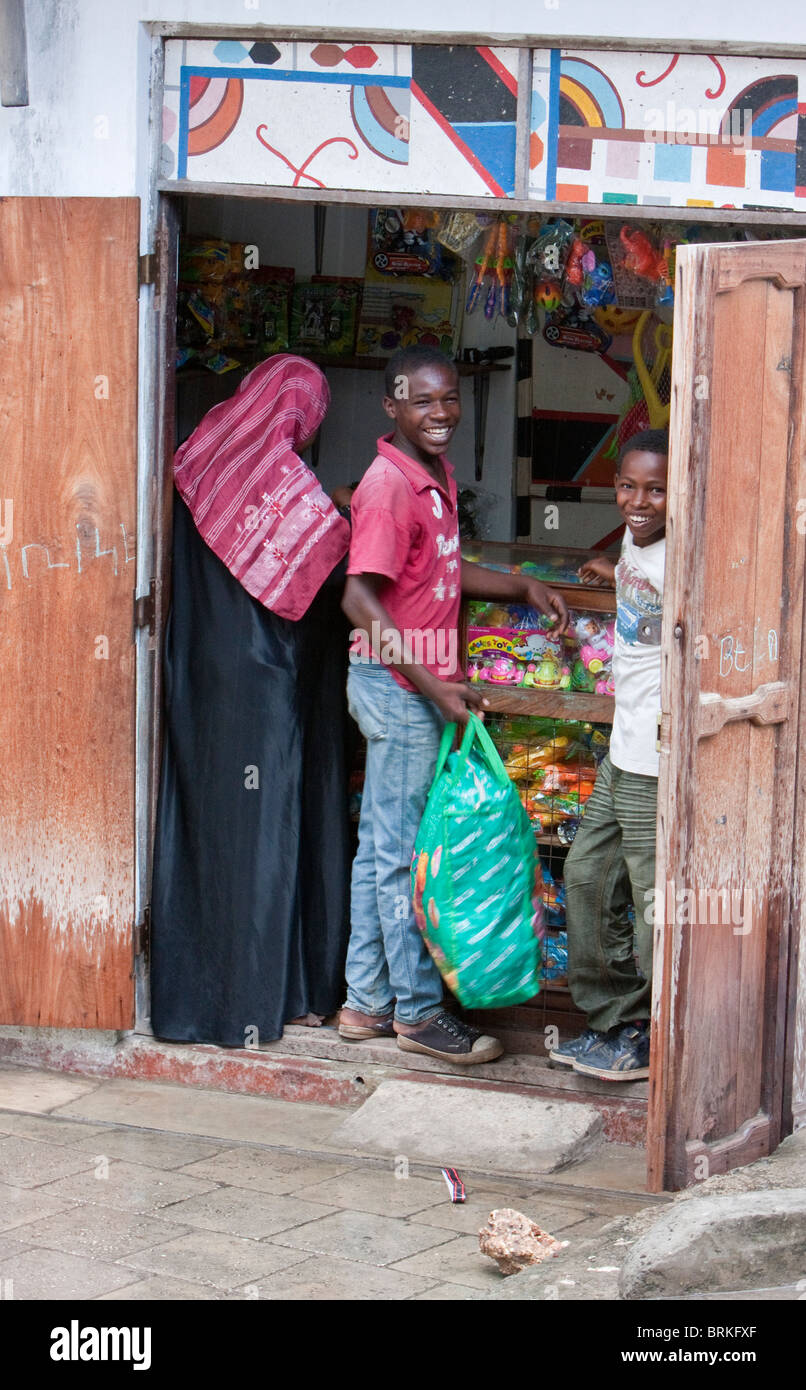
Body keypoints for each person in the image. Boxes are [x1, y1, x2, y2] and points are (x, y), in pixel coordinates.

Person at [337, 345, 569, 1065]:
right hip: (400, 689)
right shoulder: (388, 486)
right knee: (405, 859)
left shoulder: (429, 473)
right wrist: (434, 687)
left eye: (449, 400)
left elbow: (439, 570)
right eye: (422, 403)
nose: (439, 415)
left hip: (407, 688)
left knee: (384, 853)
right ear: (392, 406)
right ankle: (416, 1013)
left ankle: (364, 1003)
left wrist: (519, 586)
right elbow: (358, 598)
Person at [150, 355, 355, 1047]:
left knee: (206, 834)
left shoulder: (197, 454)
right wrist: (355, 519)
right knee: (265, 836)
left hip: (198, 678)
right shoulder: (287, 486)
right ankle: (267, 993)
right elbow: (331, 577)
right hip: (265, 689)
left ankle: (193, 998)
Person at [550, 427, 669, 1080]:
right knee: (589, 877)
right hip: (621, 754)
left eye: (656, 489)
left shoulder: (685, 550)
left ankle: (657, 1034)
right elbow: (647, 615)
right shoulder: (635, 540)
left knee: (652, 907)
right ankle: (614, 1019)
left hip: (655, 761)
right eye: (628, 486)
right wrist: (613, 576)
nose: (639, 501)